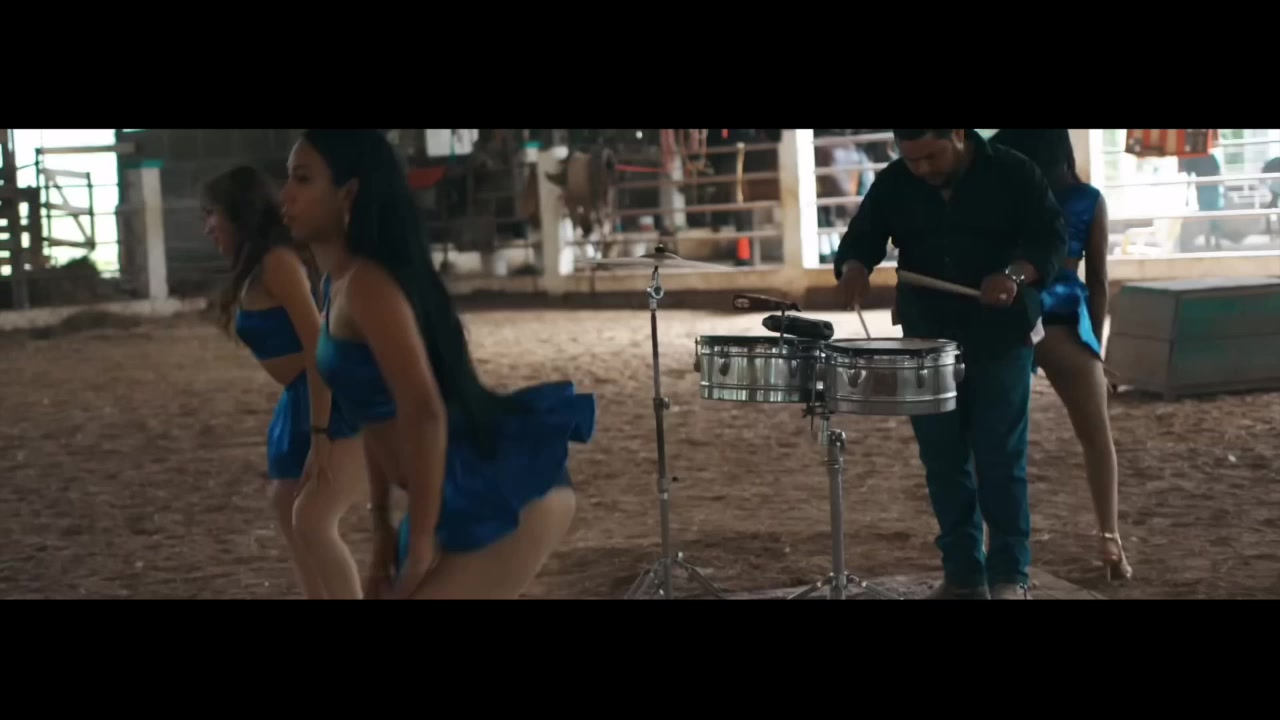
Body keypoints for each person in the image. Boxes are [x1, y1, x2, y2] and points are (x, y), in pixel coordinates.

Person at [279, 129, 595, 600]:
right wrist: (383, 526)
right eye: (288, 177)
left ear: (348, 194)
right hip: (449, 499)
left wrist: (419, 546)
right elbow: (373, 415)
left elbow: (424, 411)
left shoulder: (367, 286)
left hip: (500, 495)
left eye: (303, 179)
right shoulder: (337, 285)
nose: (285, 194)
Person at [834, 129, 1068, 600]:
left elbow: (1050, 240)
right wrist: (855, 268)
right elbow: (862, 238)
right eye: (912, 160)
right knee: (942, 458)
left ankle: (1009, 576)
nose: (922, 169)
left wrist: (1013, 275)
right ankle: (963, 576)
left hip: (1000, 335)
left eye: (931, 157)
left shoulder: (1013, 171)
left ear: (958, 134)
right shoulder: (896, 180)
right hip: (926, 336)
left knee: (1000, 456)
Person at [202, 166, 367, 599]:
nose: (208, 226)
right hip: (298, 397)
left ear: (237, 214)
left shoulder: (278, 263)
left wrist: (321, 433)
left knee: (313, 521)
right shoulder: (256, 268)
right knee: (287, 505)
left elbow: (319, 348)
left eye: (212, 214)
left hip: (332, 394)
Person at [988, 130, 1131, 583]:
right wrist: (1095, 348)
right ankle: (1110, 538)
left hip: (1011, 320)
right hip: (1066, 323)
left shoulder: (1005, 196)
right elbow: (1098, 281)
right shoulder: (1088, 199)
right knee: (1096, 437)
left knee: (999, 441)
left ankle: (997, 545)